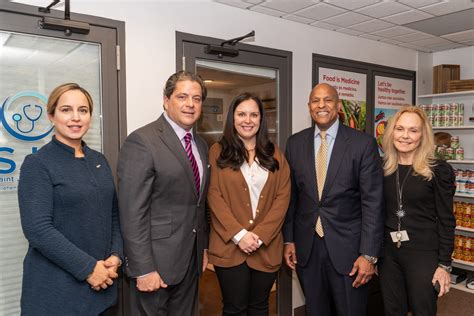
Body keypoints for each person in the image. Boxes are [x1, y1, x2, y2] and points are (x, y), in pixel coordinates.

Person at [18, 83, 123, 315]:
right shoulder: (37, 164)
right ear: (51, 116)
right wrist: (88, 269)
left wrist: (116, 256)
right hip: (56, 294)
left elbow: (113, 214)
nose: (75, 118)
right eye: (66, 110)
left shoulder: (99, 160)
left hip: (102, 290)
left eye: (83, 110)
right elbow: (38, 230)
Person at [283, 83, 384, 315]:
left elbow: (373, 203)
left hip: (349, 251)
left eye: (328, 100)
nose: (321, 105)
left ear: (338, 106)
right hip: (308, 249)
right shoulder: (295, 143)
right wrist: (289, 240)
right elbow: (292, 198)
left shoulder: (363, 143)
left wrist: (369, 254)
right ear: (309, 107)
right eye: (315, 101)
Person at [117, 71, 209, 315]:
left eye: (197, 98)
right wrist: (143, 269)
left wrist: (203, 248)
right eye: (182, 96)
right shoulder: (142, 141)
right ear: (166, 100)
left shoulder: (200, 145)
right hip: (155, 264)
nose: (190, 104)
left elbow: (198, 205)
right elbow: (131, 212)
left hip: (190, 261)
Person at [207, 93, 291, 315]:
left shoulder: (275, 155)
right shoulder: (217, 152)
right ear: (232, 118)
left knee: (260, 307)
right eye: (241, 114)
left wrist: (260, 235)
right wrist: (239, 234)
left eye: (254, 114)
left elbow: (283, 198)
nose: (248, 120)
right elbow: (214, 196)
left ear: (261, 119)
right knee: (234, 309)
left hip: (266, 247)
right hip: (229, 247)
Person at [378, 106, 455, 316]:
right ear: (391, 132)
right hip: (389, 254)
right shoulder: (381, 168)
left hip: (423, 254)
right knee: (392, 310)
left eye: (413, 130)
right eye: (400, 128)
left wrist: (444, 264)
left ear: (423, 135)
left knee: (423, 310)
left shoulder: (438, 170)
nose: (405, 136)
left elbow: (447, 220)